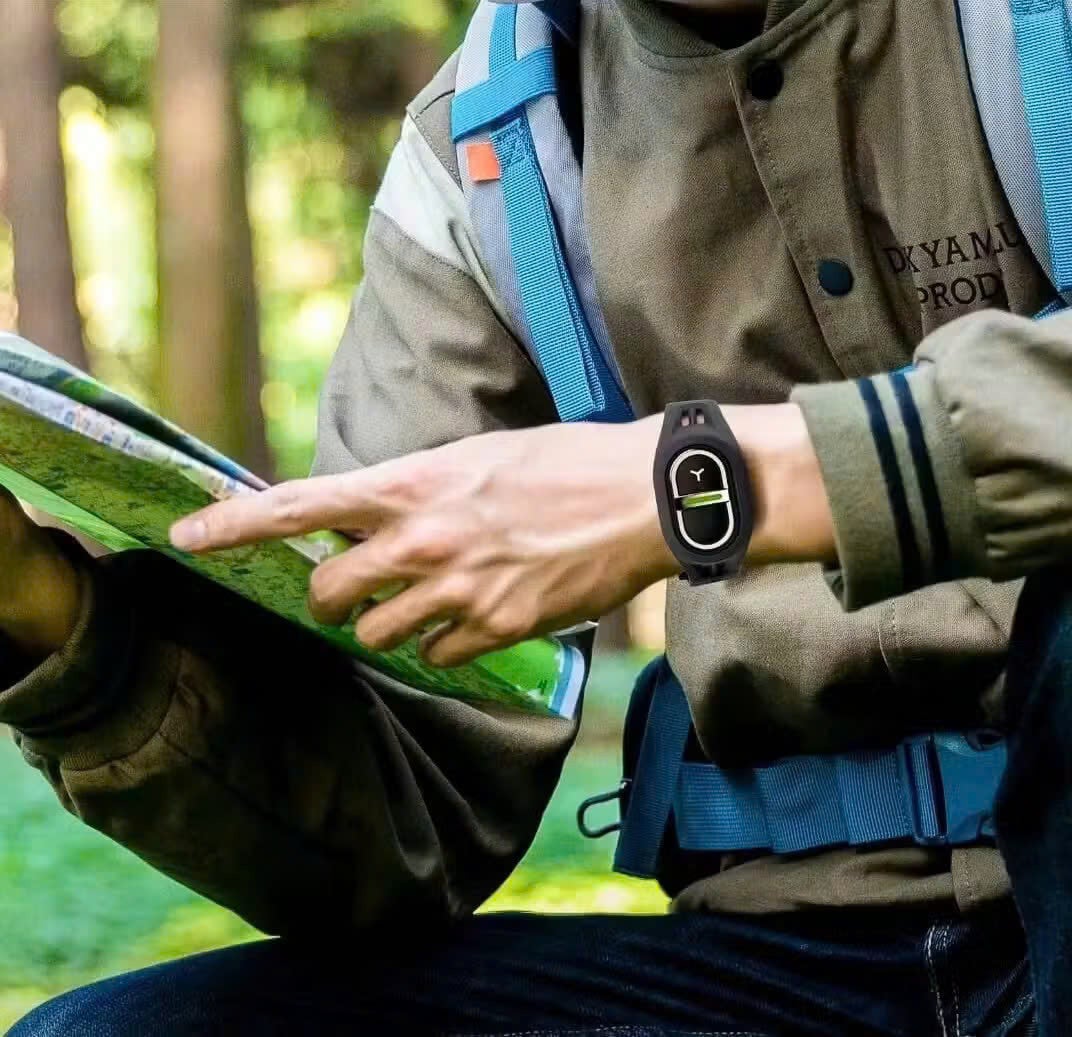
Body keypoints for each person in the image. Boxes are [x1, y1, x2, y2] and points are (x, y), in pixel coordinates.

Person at [6, 0, 1072, 1030]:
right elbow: (405, 800)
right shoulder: (491, 138)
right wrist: (66, 630)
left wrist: (692, 487)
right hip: (782, 955)